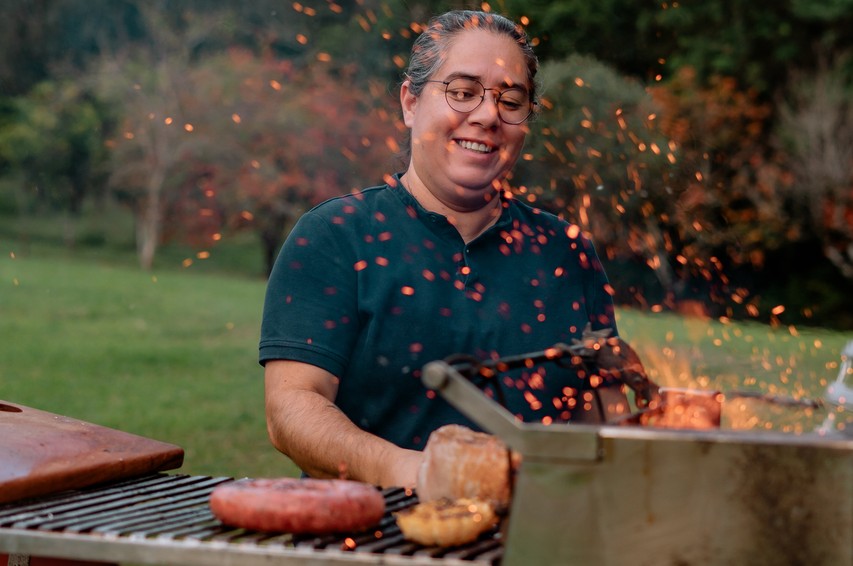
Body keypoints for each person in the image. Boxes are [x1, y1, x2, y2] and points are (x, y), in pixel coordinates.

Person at [260, 9, 626, 489]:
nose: (488, 115)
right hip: (365, 544)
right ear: (411, 102)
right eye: (462, 91)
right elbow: (291, 410)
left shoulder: (567, 254)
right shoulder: (335, 236)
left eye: (511, 100)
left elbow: (606, 414)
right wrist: (412, 472)